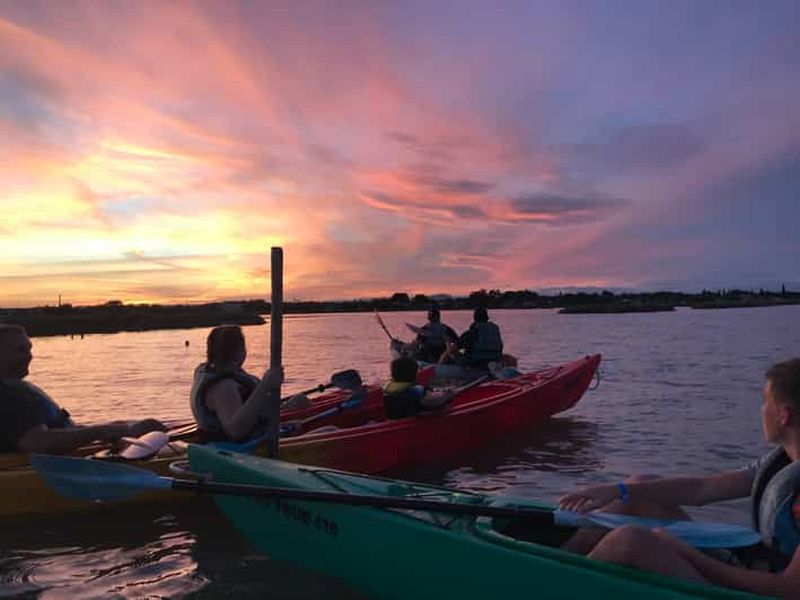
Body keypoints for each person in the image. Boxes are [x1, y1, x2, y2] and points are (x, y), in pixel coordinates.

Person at [558, 357, 800, 597]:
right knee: (637, 489)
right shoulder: (780, 462)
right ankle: (559, 561)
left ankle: (558, 587)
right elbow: (702, 489)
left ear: (784, 415)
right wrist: (617, 489)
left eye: (765, 401)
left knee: (629, 540)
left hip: (757, 593)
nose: (761, 409)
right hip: (751, 567)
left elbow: (789, 589)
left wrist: (687, 554)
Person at [0, 323, 166, 454]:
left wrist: (109, 429)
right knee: (152, 428)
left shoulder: (15, 390)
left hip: (58, 458)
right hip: (42, 469)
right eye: (20, 350)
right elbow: (37, 443)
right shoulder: (9, 396)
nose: (29, 356)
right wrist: (100, 431)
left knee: (149, 425)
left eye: (29, 349)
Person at [190, 324, 284, 442]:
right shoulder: (224, 387)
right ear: (239, 352)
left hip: (259, 424)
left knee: (299, 400)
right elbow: (235, 431)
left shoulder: (207, 370)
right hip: (239, 445)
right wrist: (265, 385)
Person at [383, 356, 454, 419]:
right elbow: (434, 401)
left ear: (392, 375)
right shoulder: (418, 390)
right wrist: (448, 393)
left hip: (396, 419)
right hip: (414, 420)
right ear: (415, 375)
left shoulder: (386, 388)